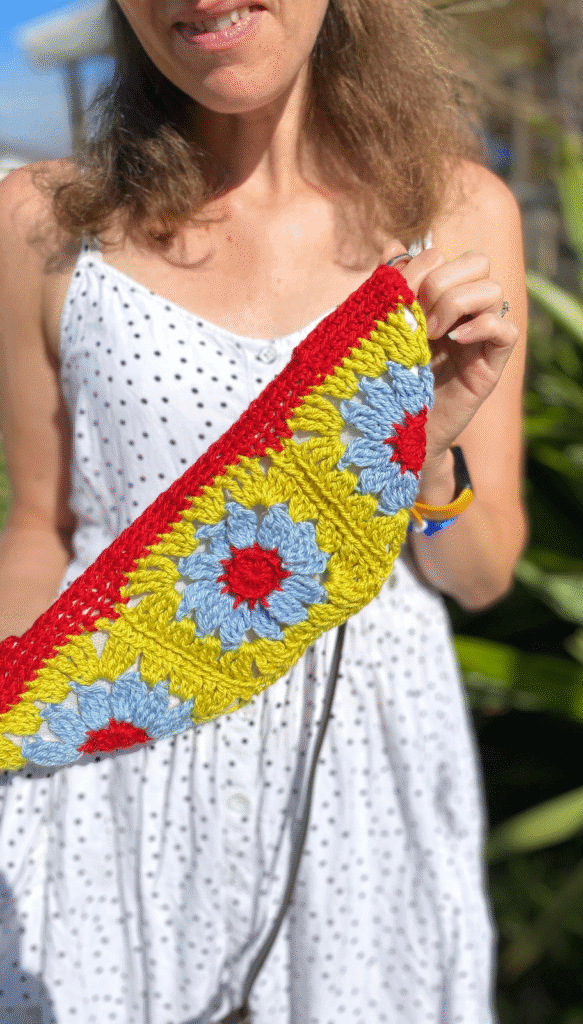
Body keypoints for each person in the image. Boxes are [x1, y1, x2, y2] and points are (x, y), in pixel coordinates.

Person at [0, 0, 527, 1020]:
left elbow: (484, 571)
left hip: (360, 779)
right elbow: (38, 528)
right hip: (114, 757)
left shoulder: (457, 214)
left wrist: (424, 455)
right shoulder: (43, 223)